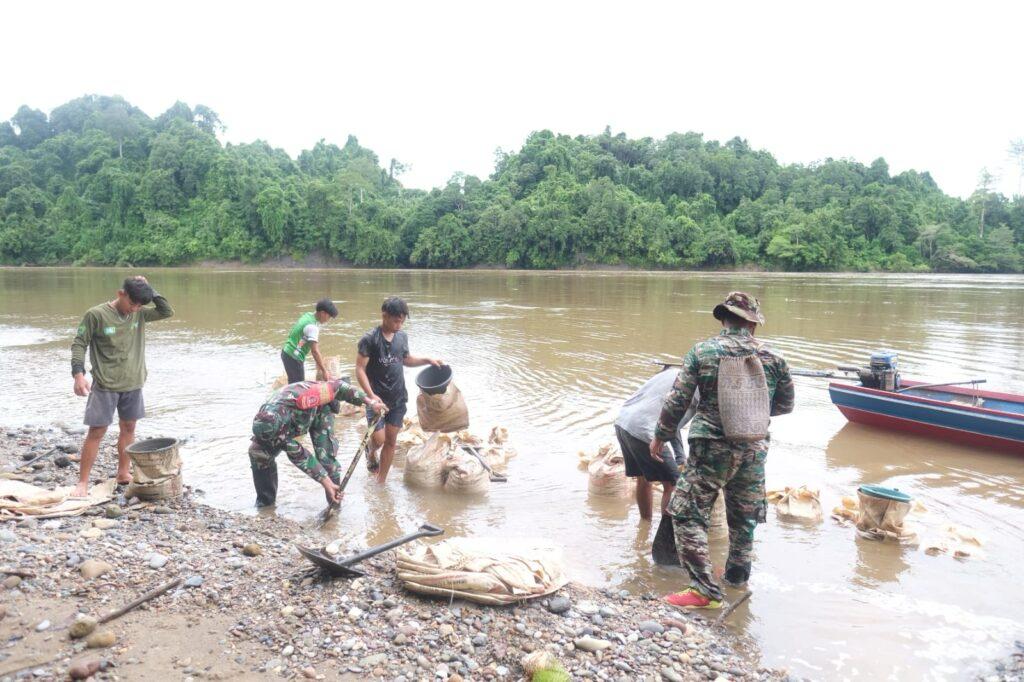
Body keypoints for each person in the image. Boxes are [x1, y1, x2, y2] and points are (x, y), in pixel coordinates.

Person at [650, 292, 794, 609]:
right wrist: (751, 410)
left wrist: (661, 435)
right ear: (753, 324)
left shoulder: (703, 351)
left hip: (711, 448)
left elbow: (678, 400)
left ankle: (703, 590)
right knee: (744, 519)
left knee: (687, 513)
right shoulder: (775, 358)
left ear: (723, 319)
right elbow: (785, 406)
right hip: (754, 448)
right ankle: (736, 581)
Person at [70, 276, 174, 497]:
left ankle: (123, 472)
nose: (134, 309)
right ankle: (82, 482)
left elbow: (166, 311)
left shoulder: (140, 314)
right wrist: (78, 374)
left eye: (139, 305)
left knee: (129, 428)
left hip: (133, 382)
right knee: (97, 431)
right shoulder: (96, 315)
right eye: (132, 303)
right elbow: (79, 343)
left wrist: (150, 289)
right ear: (121, 294)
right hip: (105, 384)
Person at [248, 379, 385, 507]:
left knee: (326, 460)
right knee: (258, 452)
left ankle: (334, 504)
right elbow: (298, 455)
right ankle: (265, 504)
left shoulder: (305, 396)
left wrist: (370, 403)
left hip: (320, 412)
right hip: (289, 425)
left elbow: (339, 386)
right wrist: (325, 481)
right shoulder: (265, 419)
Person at [355, 297, 443, 484]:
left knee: (391, 441)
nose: (399, 325)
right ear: (384, 315)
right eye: (396, 321)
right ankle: (371, 452)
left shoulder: (402, 337)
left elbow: (406, 359)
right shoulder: (369, 339)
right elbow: (360, 369)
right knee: (379, 440)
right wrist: (371, 396)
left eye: (402, 321)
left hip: (397, 398)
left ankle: (381, 482)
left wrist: (427, 360)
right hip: (376, 399)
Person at [614, 370, 697, 520]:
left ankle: (645, 524)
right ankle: (665, 532)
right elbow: (672, 419)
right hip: (644, 431)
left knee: (644, 478)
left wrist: (680, 456)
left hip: (623, 423)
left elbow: (671, 419)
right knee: (673, 484)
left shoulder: (673, 372)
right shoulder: (699, 385)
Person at [281, 299, 338, 384]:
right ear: (323, 313)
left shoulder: (308, 315)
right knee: (298, 387)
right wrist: (324, 370)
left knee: (294, 384)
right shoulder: (313, 327)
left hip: (286, 352)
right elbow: (315, 351)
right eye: (329, 317)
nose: (328, 320)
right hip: (294, 357)